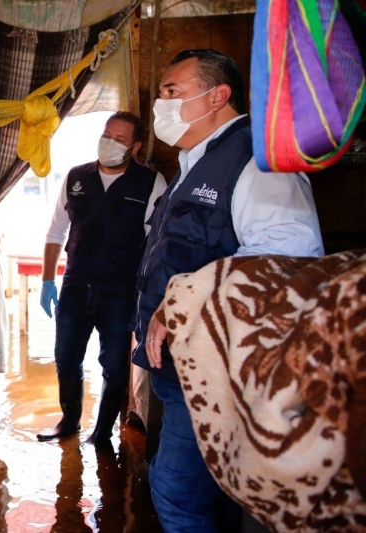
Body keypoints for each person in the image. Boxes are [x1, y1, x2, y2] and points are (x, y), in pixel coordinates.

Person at [134, 49, 324, 531]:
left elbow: (290, 255)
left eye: (172, 91)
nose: (160, 104)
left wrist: (181, 300)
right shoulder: (193, 163)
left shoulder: (256, 161)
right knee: (196, 492)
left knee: (175, 495)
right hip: (182, 362)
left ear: (217, 96)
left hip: (219, 368)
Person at [36, 111, 167, 446]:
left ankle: (102, 432)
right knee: (66, 359)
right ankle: (68, 422)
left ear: (135, 147)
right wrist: (48, 280)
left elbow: (157, 245)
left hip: (121, 293)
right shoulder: (76, 177)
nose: (110, 142)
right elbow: (55, 231)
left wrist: (151, 296)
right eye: (107, 134)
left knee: (115, 366)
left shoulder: (151, 183)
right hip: (76, 287)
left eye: (120, 139)